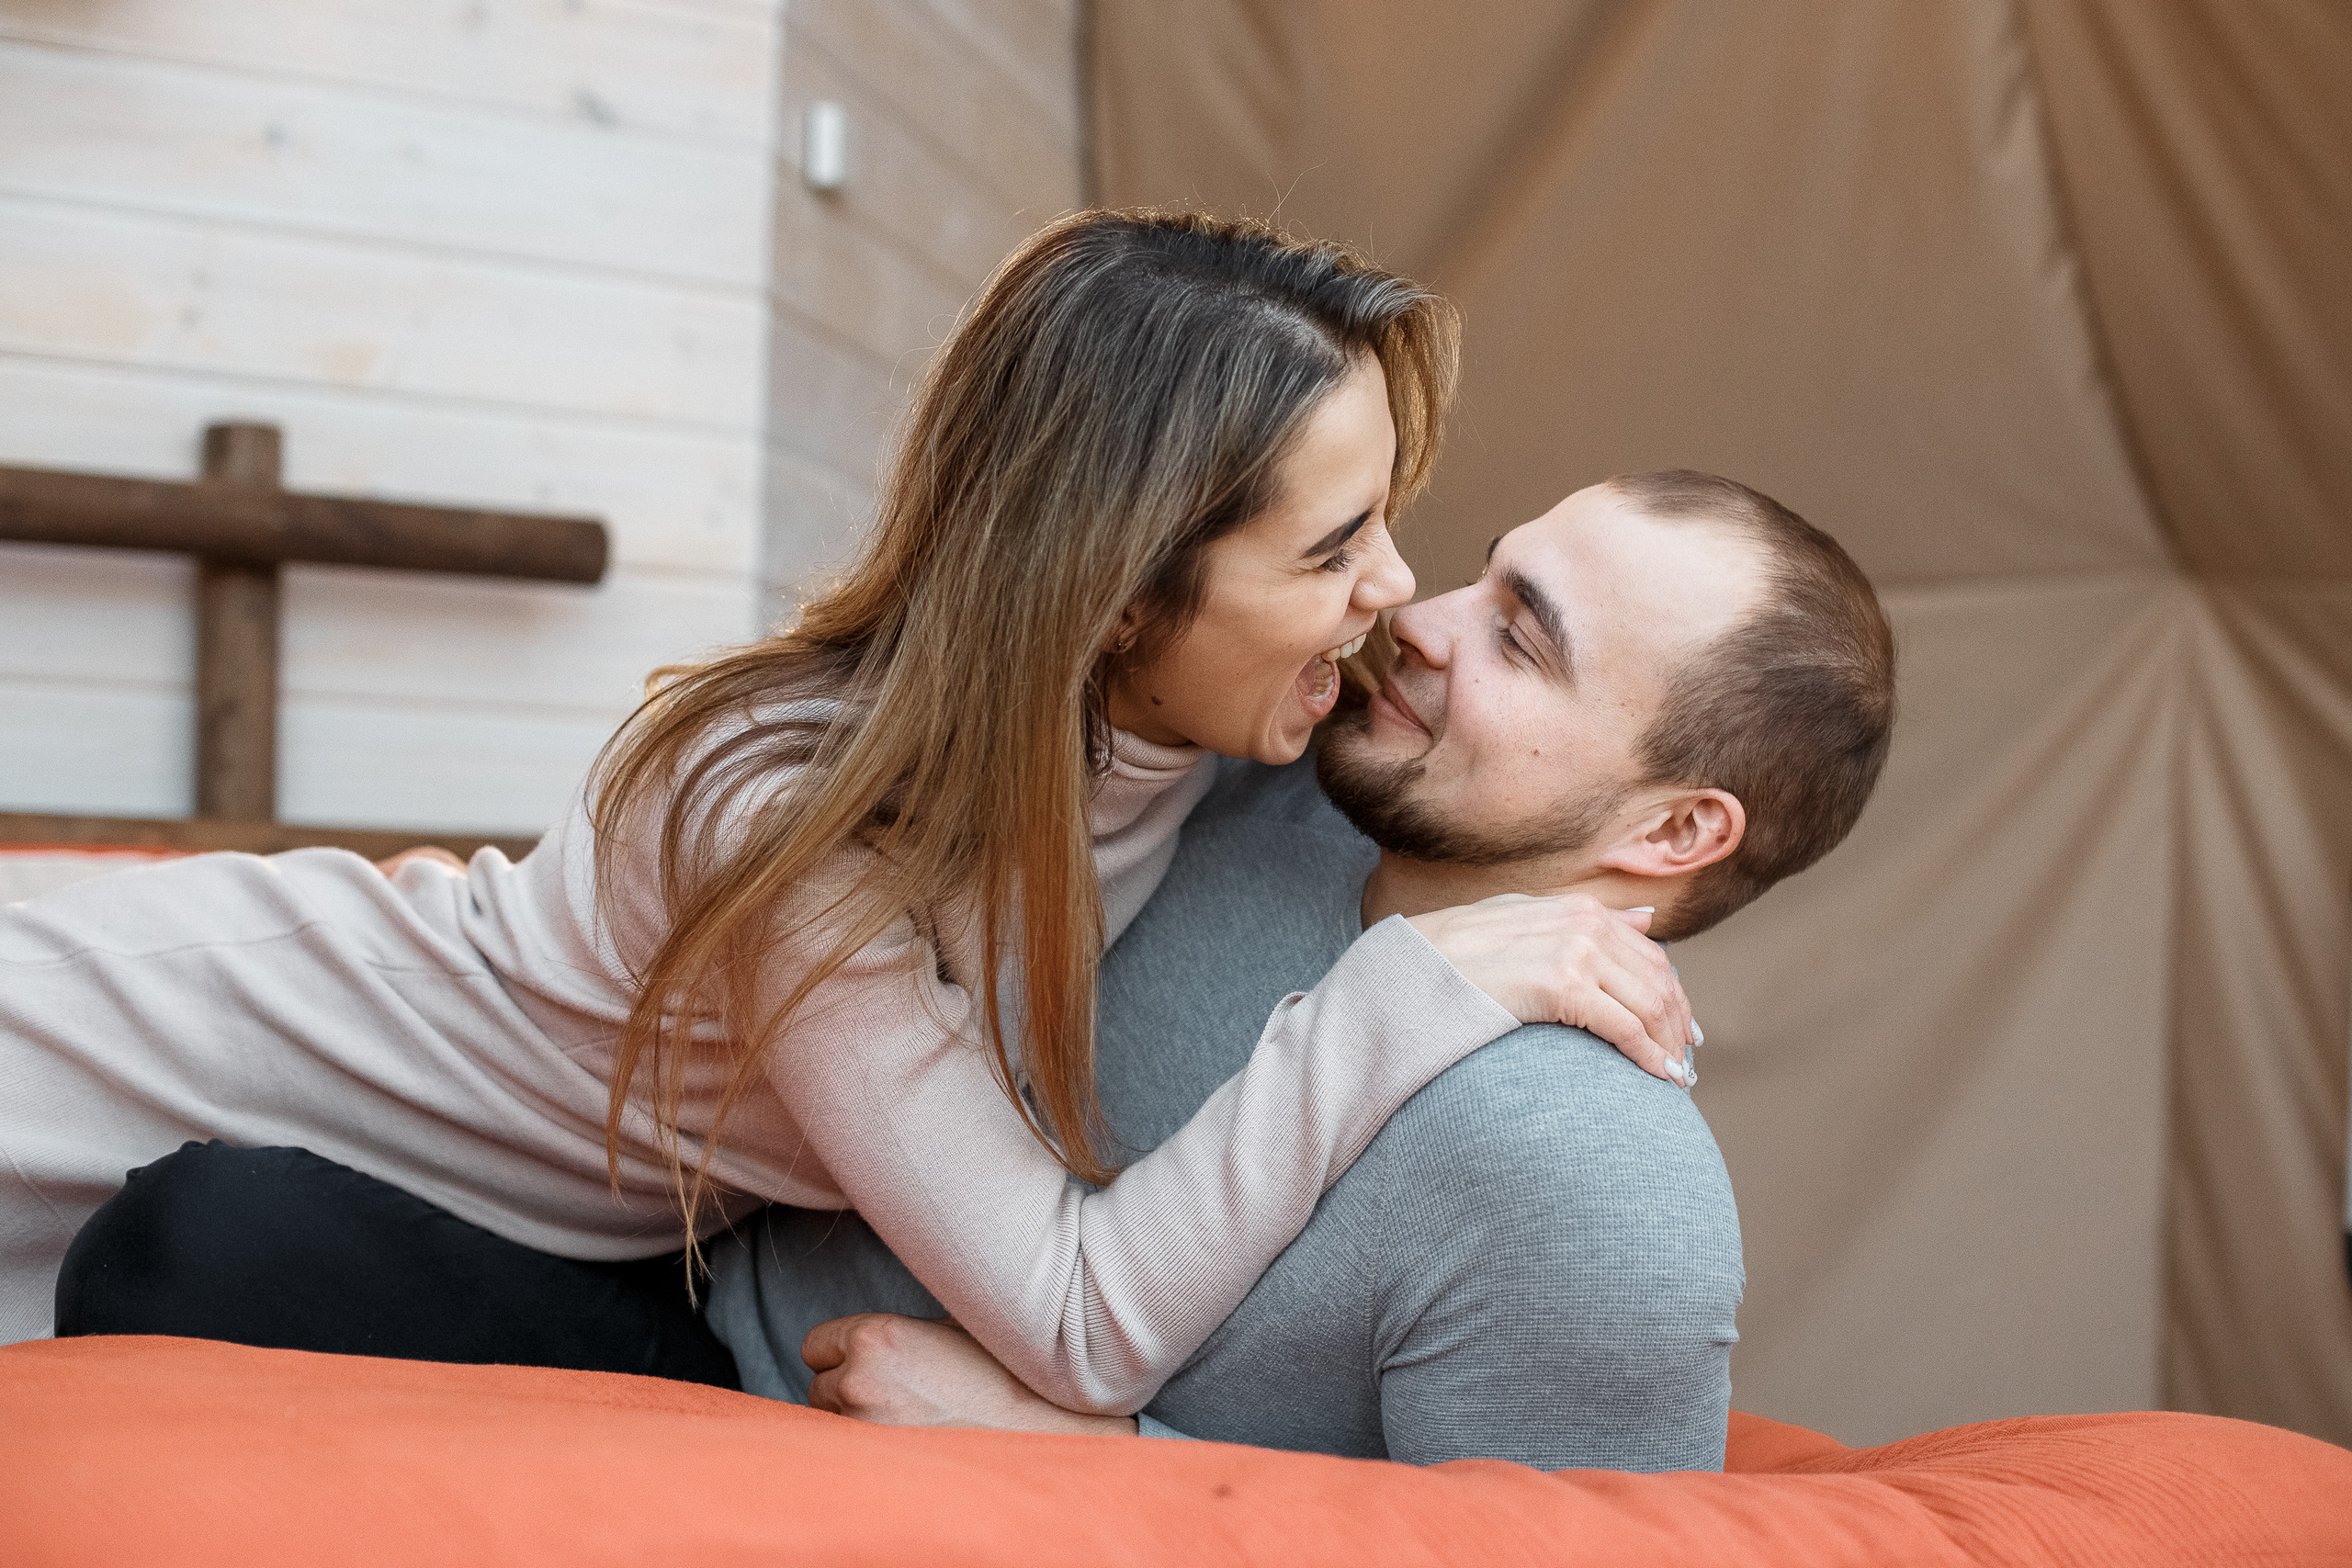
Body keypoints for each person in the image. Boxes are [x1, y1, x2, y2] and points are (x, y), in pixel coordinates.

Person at [9, 210, 1695, 1414]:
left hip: (419, 1147)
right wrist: (1405, 996)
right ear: (1116, 597)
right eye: (1337, 548)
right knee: (199, 1244)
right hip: (99, 1048)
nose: (1398, 595)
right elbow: (1077, 1320)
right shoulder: (799, 824)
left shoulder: (1206, 716)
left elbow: (1557, 807)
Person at [717, 470, 1895, 1469]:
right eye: (1480, 577)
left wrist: (1094, 1463)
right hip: (666, 1288)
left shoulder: (1595, 1181)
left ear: (1673, 834)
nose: (1418, 617)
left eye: (1521, 641)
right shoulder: (1264, 784)